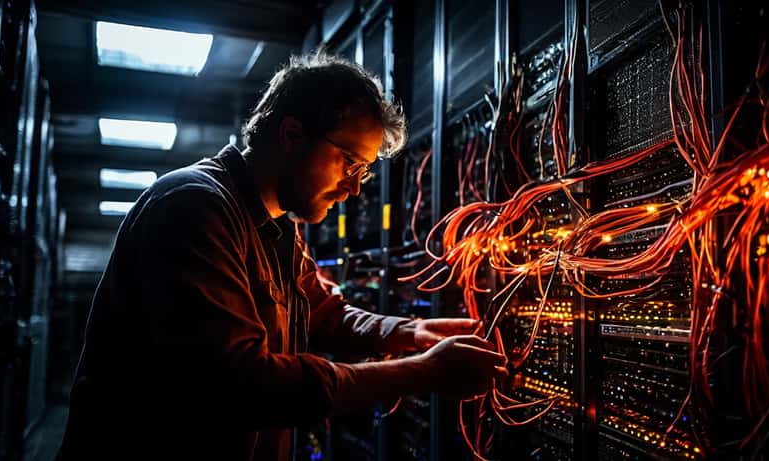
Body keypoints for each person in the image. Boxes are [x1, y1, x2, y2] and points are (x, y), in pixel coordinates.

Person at [56, 53, 506, 461]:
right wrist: (421, 373)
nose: (354, 187)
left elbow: (325, 314)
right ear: (292, 134)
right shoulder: (193, 207)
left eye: (364, 173)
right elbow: (244, 384)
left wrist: (409, 331)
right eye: (351, 163)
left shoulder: (276, 227)